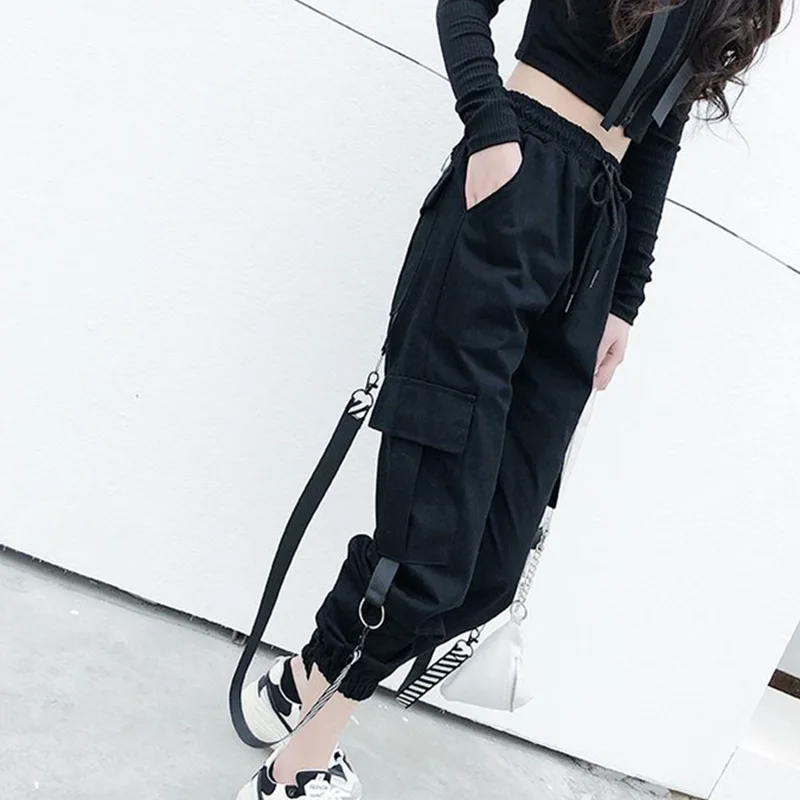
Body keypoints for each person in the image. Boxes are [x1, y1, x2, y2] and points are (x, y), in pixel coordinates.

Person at [235, 1, 784, 797]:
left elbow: (658, 135)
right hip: (510, 192)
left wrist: (626, 297)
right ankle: (297, 769)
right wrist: (490, 128)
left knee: (492, 565)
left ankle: (308, 676)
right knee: (430, 545)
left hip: (594, 239)